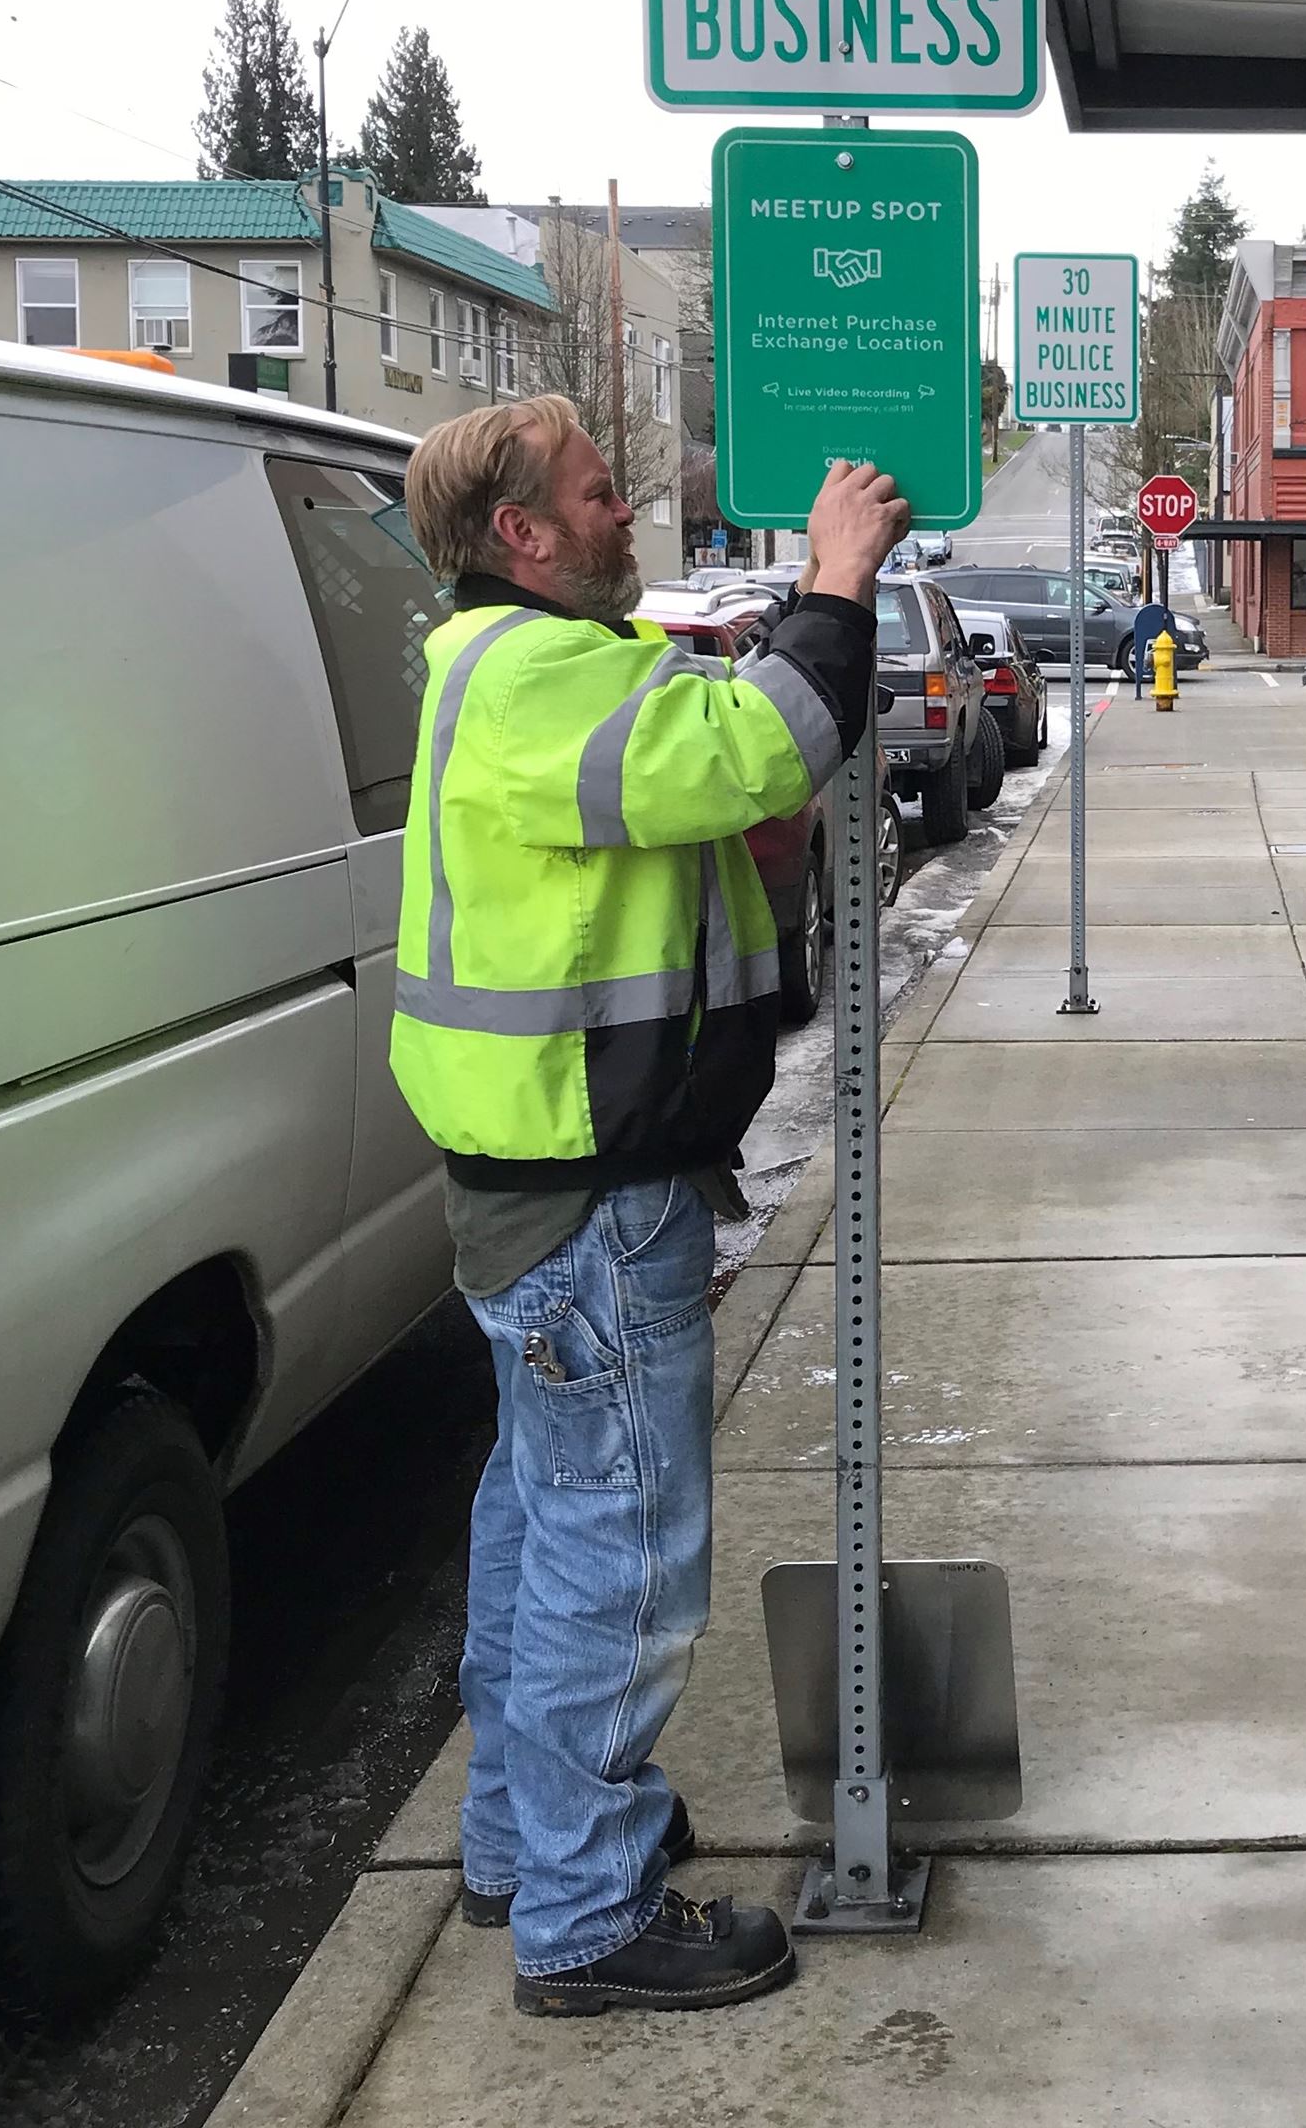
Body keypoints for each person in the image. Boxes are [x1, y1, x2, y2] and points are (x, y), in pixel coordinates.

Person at [390, 395, 906, 2018]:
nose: (632, 515)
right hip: (588, 1206)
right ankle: (588, 1916)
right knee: (623, 1564)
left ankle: (518, 1846)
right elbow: (754, 743)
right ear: (523, 534)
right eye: (603, 496)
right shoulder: (534, 675)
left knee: (543, 1534)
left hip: (556, 1194)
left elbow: (715, 814)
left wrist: (769, 804)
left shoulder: (544, 673)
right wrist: (834, 582)